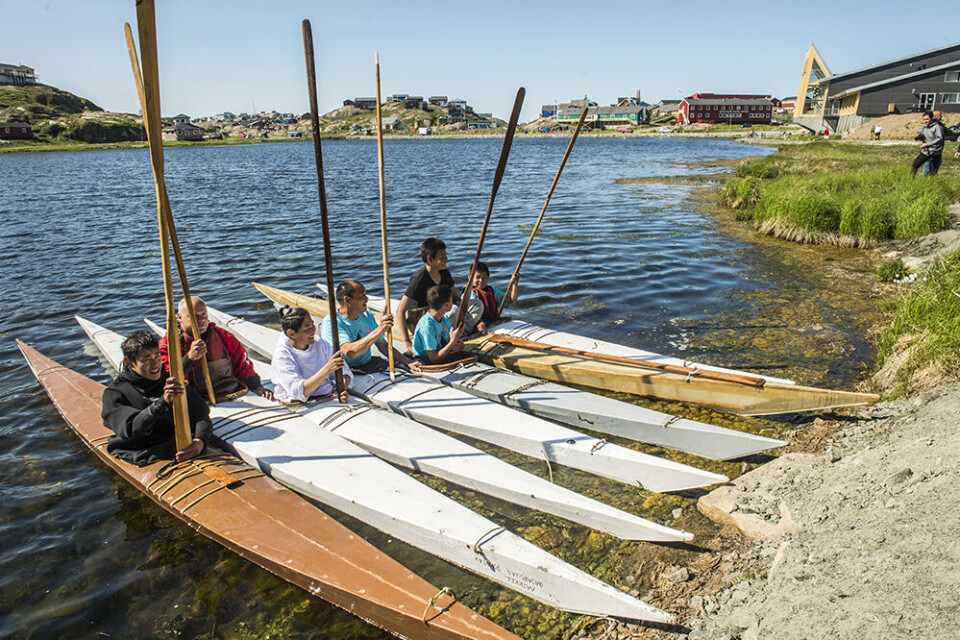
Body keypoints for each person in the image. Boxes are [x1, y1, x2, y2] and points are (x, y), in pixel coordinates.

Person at [102, 330, 211, 466]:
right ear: (129, 363)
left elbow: (201, 415)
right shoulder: (115, 394)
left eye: (157, 356)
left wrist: (200, 442)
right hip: (143, 450)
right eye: (146, 359)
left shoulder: (170, 380)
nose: (155, 364)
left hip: (177, 445)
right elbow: (133, 429)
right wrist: (163, 402)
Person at [159, 296, 273, 401]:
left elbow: (243, 366)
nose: (202, 320)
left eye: (204, 315)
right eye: (195, 316)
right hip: (198, 400)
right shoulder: (169, 345)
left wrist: (256, 386)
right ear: (180, 317)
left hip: (232, 392)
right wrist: (189, 358)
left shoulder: (224, 336)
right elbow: (171, 379)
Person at [320, 279, 422, 374]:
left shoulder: (366, 314)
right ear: (347, 300)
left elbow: (383, 345)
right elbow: (351, 353)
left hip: (368, 364)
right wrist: (380, 329)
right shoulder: (331, 322)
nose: (367, 299)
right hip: (345, 370)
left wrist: (408, 362)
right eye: (362, 296)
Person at [271, 306, 351, 403]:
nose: (313, 329)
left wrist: (341, 387)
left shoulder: (319, 342)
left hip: (327, 394)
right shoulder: (282, 354)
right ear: (291, 334)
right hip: (297, 400)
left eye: (312, 324)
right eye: (307, 327)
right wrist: (327, 369)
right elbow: (297, 391)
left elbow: (344, 371)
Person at [395, 237, 458, 354]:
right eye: (442, 258)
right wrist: (406, 341)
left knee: (474, 303)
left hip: (441, 315)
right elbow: (400, 311)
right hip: (423, 319)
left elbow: (456, 297)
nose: (446, 260)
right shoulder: (419, 279)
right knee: (453, 310)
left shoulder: (444, 273)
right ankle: (447, 338)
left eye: (446, 256)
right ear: (430, 259)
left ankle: (458, 332)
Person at [412, 284, 464, 365]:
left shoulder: (443, 318)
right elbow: (434, 359)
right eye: (451, 300)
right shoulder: (427, 327)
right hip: (426, 359)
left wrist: (459, 345)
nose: (453, 303)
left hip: (441, 352)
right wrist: (453, 341)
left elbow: (448, 340)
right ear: (446, 305)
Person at [465, 262, 519, 333]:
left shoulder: (493, 291)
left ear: (488, 277)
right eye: (478, 277)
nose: (481, 280)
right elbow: (468, 315)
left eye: (484, 278)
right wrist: (479, 322)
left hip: (492, 322)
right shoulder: (468, 293)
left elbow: (512, 300)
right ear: (470, 277)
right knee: (481, 327)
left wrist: (514, 284)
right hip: (477, 325)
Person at [911, 111, 945, 177]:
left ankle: (931, 184)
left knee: (932, 172)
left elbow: (940, 139)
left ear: (931, 118)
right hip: (926, 151)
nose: (925, 121)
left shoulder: (937, 127)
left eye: (927, 119)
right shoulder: (925, 127)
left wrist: (927, 144)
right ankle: (910, 180)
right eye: (924, 119)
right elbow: (923, 135)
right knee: (915, 166)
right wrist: (918, 137)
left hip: (935, 152)